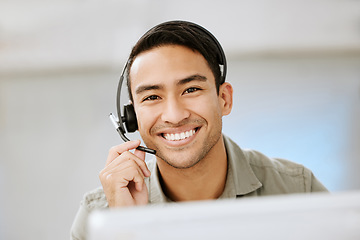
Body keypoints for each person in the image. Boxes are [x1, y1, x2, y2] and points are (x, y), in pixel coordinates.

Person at [70, 20, 327, 240]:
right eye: (152, 97)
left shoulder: (297, 190)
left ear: (224, 99)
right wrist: (126, 228)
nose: (174, 115)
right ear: (132, 117)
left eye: (191, 90)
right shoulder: (99, 217)